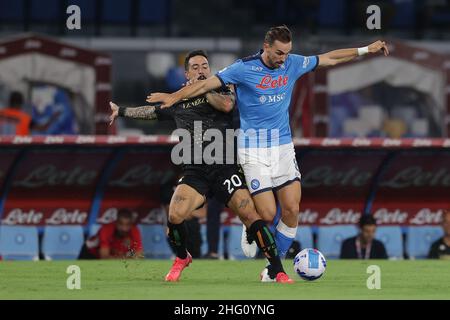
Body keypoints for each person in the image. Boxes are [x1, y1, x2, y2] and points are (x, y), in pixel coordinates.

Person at [146, 25, 389, 281]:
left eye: (287, 53)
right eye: (279, 53)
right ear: (266, 47)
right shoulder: (242, 68)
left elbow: (329, 58)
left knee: (292, 209)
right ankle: (249, 227)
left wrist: (366, 49)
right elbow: (205, 85)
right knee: (267, 215)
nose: (283, 59)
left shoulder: (292, 63)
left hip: (283, 147)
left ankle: (273, 270)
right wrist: (174, 97)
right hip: (253, 149)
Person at [110, 50, 293, 283]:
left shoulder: (223, 89)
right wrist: (122, 111)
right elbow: (152, 112)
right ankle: (182, 257)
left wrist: (204, 87)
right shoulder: (179, 101)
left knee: (250, 214)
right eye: (195, 67)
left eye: (204, 66)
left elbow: (227, 106)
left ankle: (278, 270)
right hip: (195, 171)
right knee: (175, 215)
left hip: (225, 167)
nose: (201, 70)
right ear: (186, 73)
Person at [79, 209, 143, 259]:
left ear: (131, 225)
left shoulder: (135, 230)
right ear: (116, 222)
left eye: (127, 225)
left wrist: (127, 257)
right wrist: (127, 258)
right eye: (121, 224)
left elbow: (139, 256)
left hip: (113, 256)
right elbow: (104, 257)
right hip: (90, 253)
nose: (124, 228)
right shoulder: (106, 229)